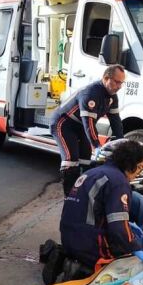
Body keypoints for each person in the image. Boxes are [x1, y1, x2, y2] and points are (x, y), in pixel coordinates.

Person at [59, 140, 143, 269]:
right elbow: (118, 227)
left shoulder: (93, 172)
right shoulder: (119, 182)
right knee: (129, 265)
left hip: (67, 238)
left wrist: (127, 225)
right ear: (129, 162)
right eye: (139, 167)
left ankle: (72, 262)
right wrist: (136, 249)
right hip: (89, 245)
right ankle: (82, 270)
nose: (139, 173)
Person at [51, 64, 126, 196]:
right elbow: (89, 124)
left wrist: (121, 142)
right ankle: (69, 198)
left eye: (121, 83)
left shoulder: (112, 96)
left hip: (80, 126)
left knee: (85, 159)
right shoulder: (91, 93)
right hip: (64, 123)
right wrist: (96, 146)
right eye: (117, 82)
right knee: (71, 160)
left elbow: (115, 121)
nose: (119, 86)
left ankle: (82, 194)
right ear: (106, 78)